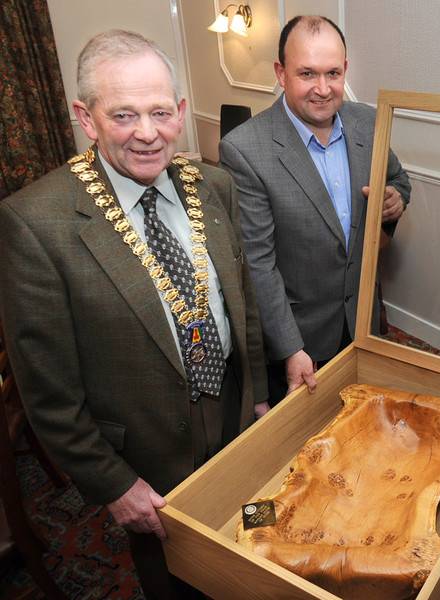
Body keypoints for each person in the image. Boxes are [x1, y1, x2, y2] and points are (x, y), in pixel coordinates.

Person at [0, 30, 269, 599]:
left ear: (178, 111)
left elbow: (241, 307)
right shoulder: (34, 224)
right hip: (146, 450)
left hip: (234, 414)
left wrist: (260, 398)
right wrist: (114, 484)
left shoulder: (214, 185)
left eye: (159, 113)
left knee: (254, 539)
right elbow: (50, 393)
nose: (148, 134)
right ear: (86, 118)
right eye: (123, 115)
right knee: (178, 577)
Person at [220, 15, 411, 405]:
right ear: (281, 73)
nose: (323, 89)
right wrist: (291, 348)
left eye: (332, 73)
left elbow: (399, 179)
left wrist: (395, 198)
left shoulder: (368, 121)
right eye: (307, 73)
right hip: (300, 338)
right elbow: (258, 264)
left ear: (345, 71)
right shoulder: (245, 150)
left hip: (362, 321)